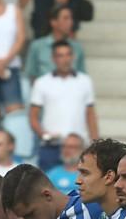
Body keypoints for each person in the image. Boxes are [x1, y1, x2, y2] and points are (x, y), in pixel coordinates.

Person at [29, 39, 97, 170]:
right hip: (52, 145)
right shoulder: (42, 82)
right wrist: (44, 135)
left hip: (78, 145)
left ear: (73, 56)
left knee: (79, 182)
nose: (65, 59)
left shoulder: (85, 81)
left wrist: (94, 143)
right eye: (60, 55)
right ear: (53, 59)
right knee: (47, 181)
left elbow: (90, 114)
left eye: (68, 54)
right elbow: (33, 116)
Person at [24, 4, 84, 82]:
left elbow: (82, 75)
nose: (70, 22)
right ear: (53, 22)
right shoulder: (37, 46)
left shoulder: (77, 47)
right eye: (66, 18)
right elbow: (30, 74)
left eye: (71, 18)